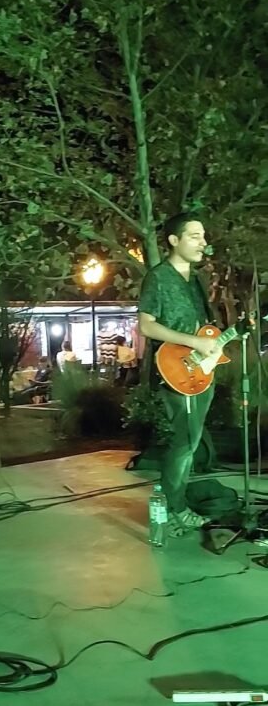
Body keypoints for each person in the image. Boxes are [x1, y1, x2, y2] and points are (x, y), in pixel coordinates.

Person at [138, 212, 217, 537]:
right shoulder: (158, 277)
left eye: (203, 236)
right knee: (184, 443)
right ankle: (174, 510)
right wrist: (193, 342)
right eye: (195, 236)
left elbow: (203, 328)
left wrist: (218, 341)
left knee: (191, 442)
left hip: (200, 369)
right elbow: (146, 325)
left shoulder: (196, 280)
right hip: (174, 370)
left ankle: (177, 503)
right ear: (174, 240)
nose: (203, 242)